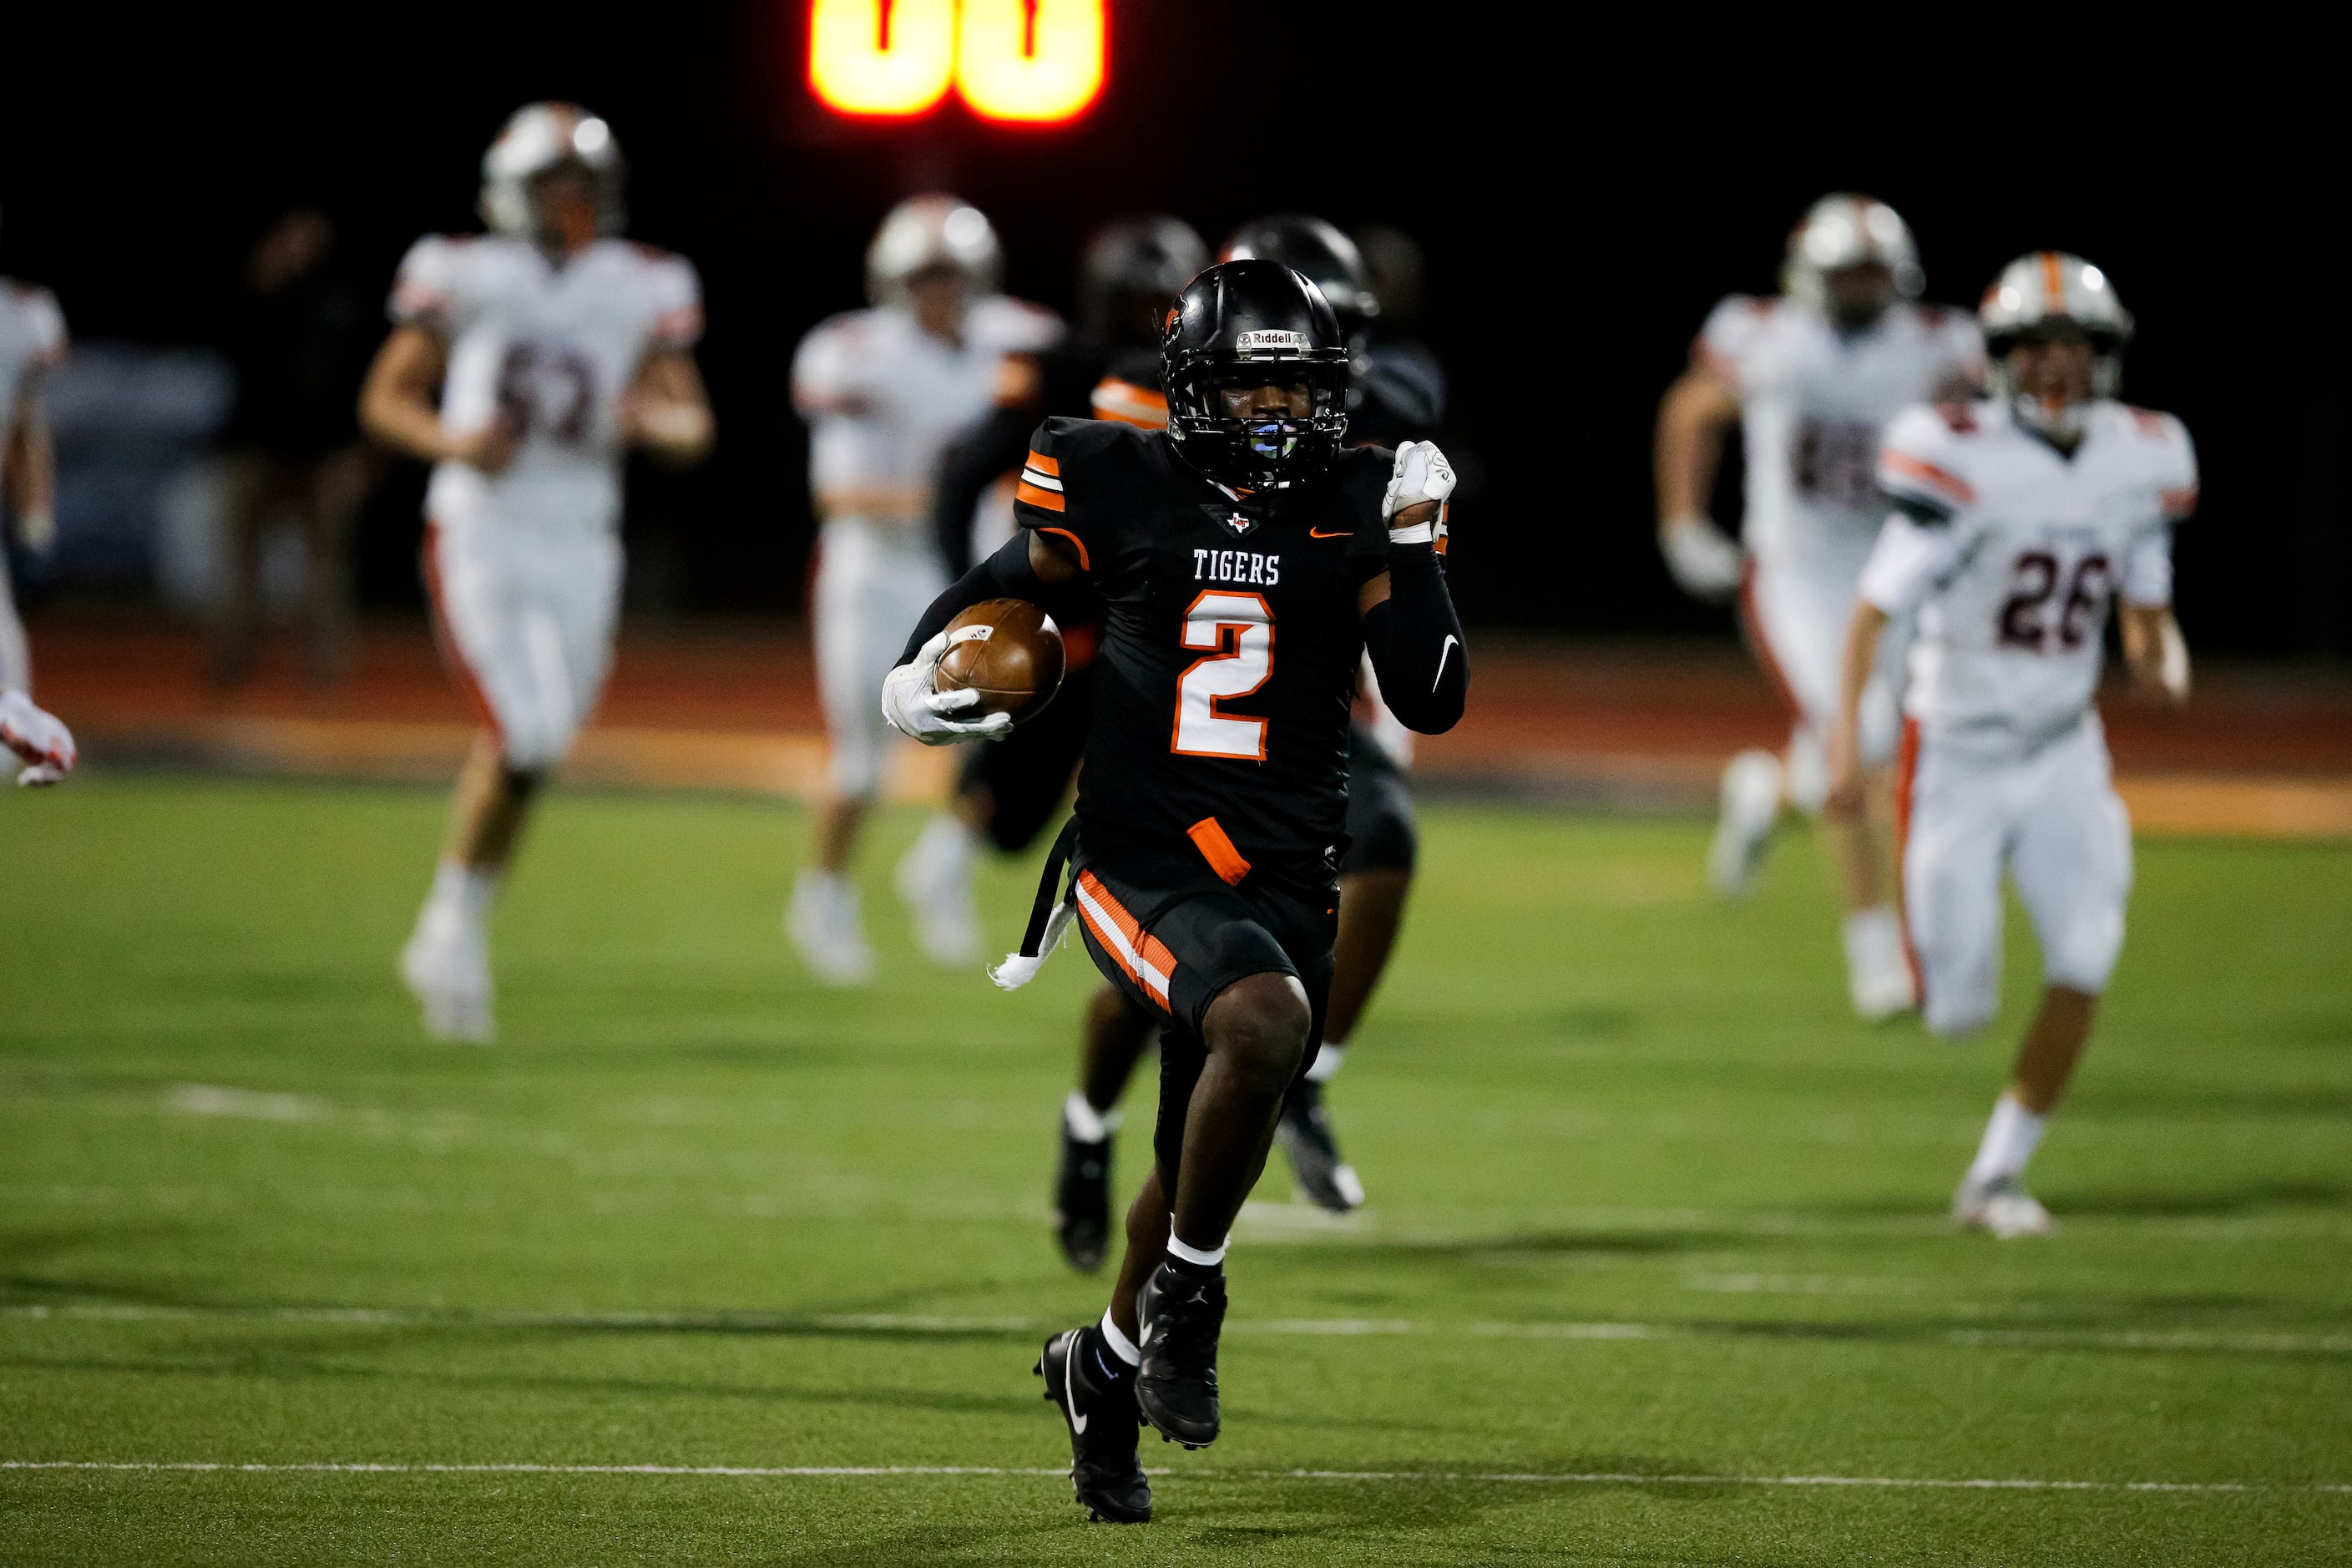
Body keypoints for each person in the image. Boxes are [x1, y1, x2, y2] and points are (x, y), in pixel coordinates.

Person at [882, 260, 1466, 1521]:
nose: (1272, 410)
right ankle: (1190, 1305)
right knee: (1261, 1026)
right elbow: (1010, 580)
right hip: (1137, 857)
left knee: (1196, 1155)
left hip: (1283, 872)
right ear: (1194, 387)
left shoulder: (1362, 497)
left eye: (1294, 385)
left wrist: (1418, 553)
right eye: (1249, 381)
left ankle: (1099, 1363)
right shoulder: (1116, 475)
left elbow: (1428, 697)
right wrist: (909, 674)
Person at [1827, 251, 2194, 1237]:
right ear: (2000, 359)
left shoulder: (2142, 455)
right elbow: (1871, 613)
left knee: (2087, 951)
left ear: (2106, 355)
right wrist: (1840, 744)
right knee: (1956, 1011)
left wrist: (2158, 652)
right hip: (1957, 755)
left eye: (2074, 347)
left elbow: (2143, 594)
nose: (2054, 368)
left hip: (2066, 747)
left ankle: (1995, 1175)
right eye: (2034, 349)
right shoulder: (1960, 457)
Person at [362, 103, 713, 1042]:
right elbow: (387, 397)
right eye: (554, 185)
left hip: (584, 535)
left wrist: (654, 424)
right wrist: (451, 441)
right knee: (518, 731)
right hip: (483, 527)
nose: (570, 203)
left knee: (544, 740)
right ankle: (453, 926)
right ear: (513, 191)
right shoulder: (465, 269)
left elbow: (691, 421)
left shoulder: (642, 282)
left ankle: (455, 915)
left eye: (583, 186)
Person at [923, 216, 1208, 1268]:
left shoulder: (1303, 444)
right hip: (1110, 641)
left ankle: (1170, 1260)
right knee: (1157, 959)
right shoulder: (1101, 395)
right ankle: (1099, 1144)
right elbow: (986, 486)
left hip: (1231, 715)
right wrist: (961, 596)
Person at [1654, 195, 1983, 1019]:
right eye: (1849, 272)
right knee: (1854, 743)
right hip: (1794, 574)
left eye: (1875, 271)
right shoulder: (1768, 337)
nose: (1864, 288)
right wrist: (1684, 522)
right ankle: (1874, 950)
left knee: (1877, 745)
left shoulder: (1935, 348)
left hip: (1891, 572)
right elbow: (1691, 409)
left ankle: (1771, 788)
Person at [787, 195, 1060, 983]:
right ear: (895, 279)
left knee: (1006, 727)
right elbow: (840, 495)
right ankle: (824, 894)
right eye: (927, 275)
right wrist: (955, 494)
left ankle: (941, 868)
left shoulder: (1020, 341)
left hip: (968, 561)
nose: (942, 290)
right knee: (862, 759)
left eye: (954, 274)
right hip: (872, 567)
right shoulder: (854, 352)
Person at [212, 208, 382, 687]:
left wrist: (362, 452)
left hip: (326, 451)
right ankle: (231, 663)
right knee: (241, 561)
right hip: (257, 447)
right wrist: (266, 279)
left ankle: (323, 673)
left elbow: (364, 376)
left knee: (326, 565)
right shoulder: (257, 289)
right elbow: (230, 351)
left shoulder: (343, 299)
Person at [0, 207, 75, 786]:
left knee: (6, 637)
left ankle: (12, 754)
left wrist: (37, 512)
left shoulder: (36, 315)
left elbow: (26, 425)